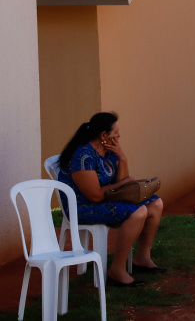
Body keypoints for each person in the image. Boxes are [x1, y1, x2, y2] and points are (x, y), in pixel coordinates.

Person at [56, 112, 164, 287]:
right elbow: (94, 195)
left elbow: (123, 182)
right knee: (138, 212)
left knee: (156, 204)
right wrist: (123, 183)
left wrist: (122, 157)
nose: (119, 135)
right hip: (83, 207)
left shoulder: (109, 150)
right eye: (116, 132)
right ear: (103, 135)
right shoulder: (83, 156)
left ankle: (142, 258)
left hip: (106, 198)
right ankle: (117, 270)